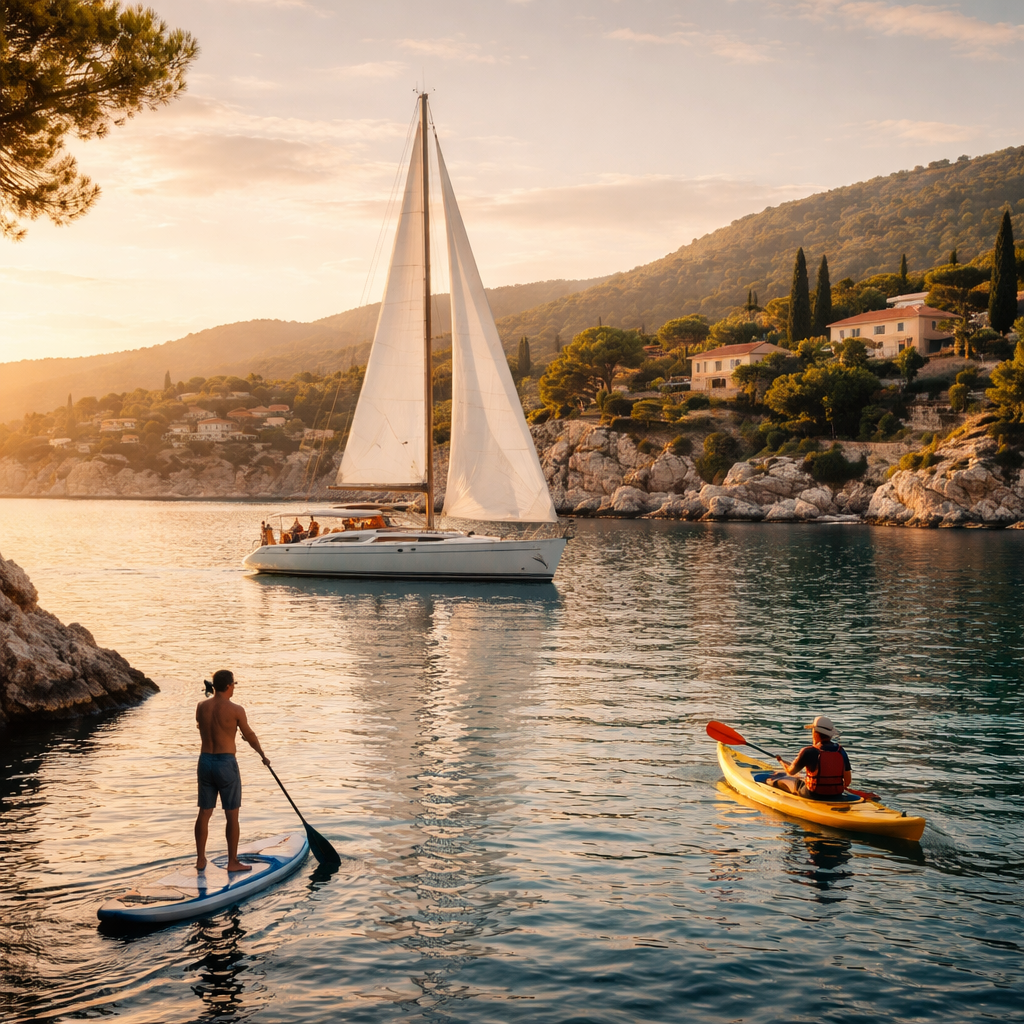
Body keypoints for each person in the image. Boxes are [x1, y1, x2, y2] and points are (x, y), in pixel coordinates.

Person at [194, 669, 270, 872]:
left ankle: (201, 860)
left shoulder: (201, 706)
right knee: (231, 814)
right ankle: (232, 862)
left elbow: (201, 726)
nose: (234, 687)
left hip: (205, 762)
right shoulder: (236, 710)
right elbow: (250, 735)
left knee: (204, 812)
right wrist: (263, 755)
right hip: (225, 763)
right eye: (234, 684)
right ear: (229, 686)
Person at [769, 715, 851, 800]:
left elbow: (791, 772)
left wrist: (781, 761)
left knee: (787, 780)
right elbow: (847, 781)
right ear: (830, 735)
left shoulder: (808, 751)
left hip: (813, 795)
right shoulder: (841, 751)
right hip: (836, 795)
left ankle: (770, 785)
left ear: (815, 732)